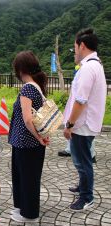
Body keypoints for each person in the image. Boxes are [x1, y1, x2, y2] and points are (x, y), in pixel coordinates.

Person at [63, 28, 107, 211]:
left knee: (83, 162)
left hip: (82, 124)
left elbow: (81, 101)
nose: (75, 53)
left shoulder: (88, 68)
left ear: (82, 46)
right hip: (86, 123)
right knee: (82, 159)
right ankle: (83, 187)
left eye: (75, 48)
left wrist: (70, 125)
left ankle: (87, 197)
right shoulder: (95, 65)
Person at [8, 51, 50, 222]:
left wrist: (38, 137)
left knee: (27, 178)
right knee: (26, 176)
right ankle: (23, 207)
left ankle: (29, 213)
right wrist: (40, 137)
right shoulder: (36, 86)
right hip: (28, 143)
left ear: (20, 69)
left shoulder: (27, 88)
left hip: (26, 143)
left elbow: (27, 119)